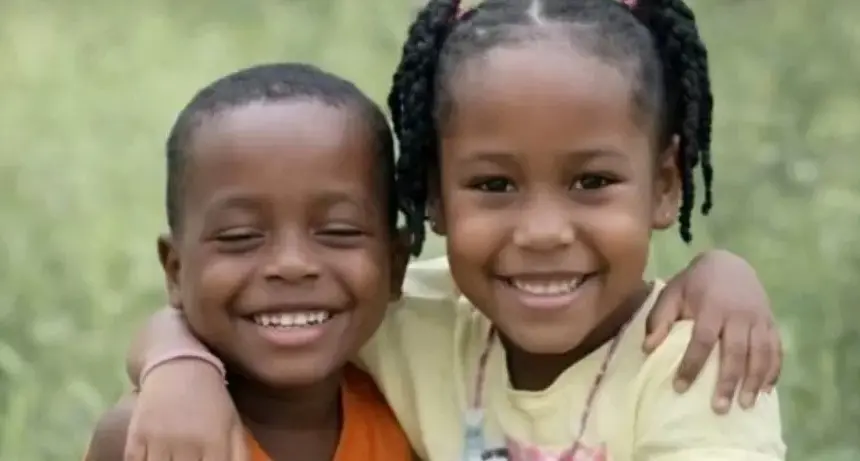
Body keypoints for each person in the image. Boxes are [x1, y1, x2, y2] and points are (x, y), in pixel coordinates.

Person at [119, 1, 785, 460]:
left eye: (591, 182)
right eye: (494, 185)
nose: (544, 231)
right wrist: (176, 364)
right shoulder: (421, 321)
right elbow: (262, 304)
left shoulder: (699, 364)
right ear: (433, 195)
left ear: (665, 184)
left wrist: (723, 269)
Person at [84, 63, 414, 461]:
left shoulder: (414, 411)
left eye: (338, 231)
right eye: (240, 237)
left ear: (396, 263)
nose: (292, 264)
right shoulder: (150, 437)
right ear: (176, 270)